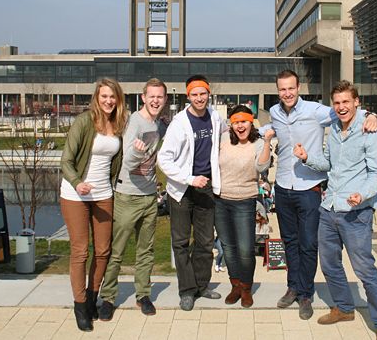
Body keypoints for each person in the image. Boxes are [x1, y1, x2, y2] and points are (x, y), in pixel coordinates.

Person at [261, 69, 377, 320]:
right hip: (283, 186)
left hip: (310, 188)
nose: (287, 93)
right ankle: (293, 287)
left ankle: (306, 294)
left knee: (308, 244)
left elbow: (345, 112)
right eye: (282, 89)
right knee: (289, 242)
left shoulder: (317, 111)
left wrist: (371, 115)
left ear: (298, 88)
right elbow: (266, 128)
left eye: (291, 88)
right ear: (278, 91)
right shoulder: (274, 113)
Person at [293, 80, 377, 340]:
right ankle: (344, 308)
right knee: (329, 264)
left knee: (364, 270)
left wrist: (363, 194)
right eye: (337, 103)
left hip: (357, 211)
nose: (341, 107)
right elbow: (328, 164)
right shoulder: (334, 128)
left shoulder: (370, 129)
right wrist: (306, 158)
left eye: (346, 102)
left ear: (357, 102)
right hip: (330, 208)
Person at [98, 78, 168, 319]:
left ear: (165, 99)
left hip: (149, 196)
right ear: (143, 97)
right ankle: (107, 298)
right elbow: (127, 163)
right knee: (116, 251)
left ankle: (143, 295)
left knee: (146, 251)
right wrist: (138, 152)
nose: (155, 100)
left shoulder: (158, 124)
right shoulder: (133, 122)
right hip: (127, 196)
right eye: (152, 96)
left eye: (160, 97)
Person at [59, 78, 126, 332]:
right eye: (104, 96)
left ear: (118, 99)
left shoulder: (118, 123)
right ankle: (79, 306)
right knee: (80, 251)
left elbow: (119, 159)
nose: (108, 101)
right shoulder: (85, 121)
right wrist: (77, 182)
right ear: (96, 98)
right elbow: (66, 160)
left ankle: (91, 298)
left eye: (112, 97)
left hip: (103, 194)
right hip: (75, 194)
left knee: (103, 250)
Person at [157, 74, 227, 311]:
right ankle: (187, 290)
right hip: (182, 189)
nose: (199, 98)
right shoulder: (179, 123)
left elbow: (229, 134)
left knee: (206, 242)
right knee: (181, 241)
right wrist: (189, 178)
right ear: (189, 96)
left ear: (209, 94)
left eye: (203, 93)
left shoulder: (215, 117)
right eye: (195, 94)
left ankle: (201, 285)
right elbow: (163, 160)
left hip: (206, 186)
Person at [215, 105, 273, 308]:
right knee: (228, 248)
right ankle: (235, 285)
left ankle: (247, 288)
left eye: (244, 121)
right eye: (236, 122)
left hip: (245, 201)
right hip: (221, 201)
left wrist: (266, 142)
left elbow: (261, 167)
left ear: (251, 122)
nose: (240, 126)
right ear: (231, 124)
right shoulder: (222, 140)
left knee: (245, 249)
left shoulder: (257, 142)